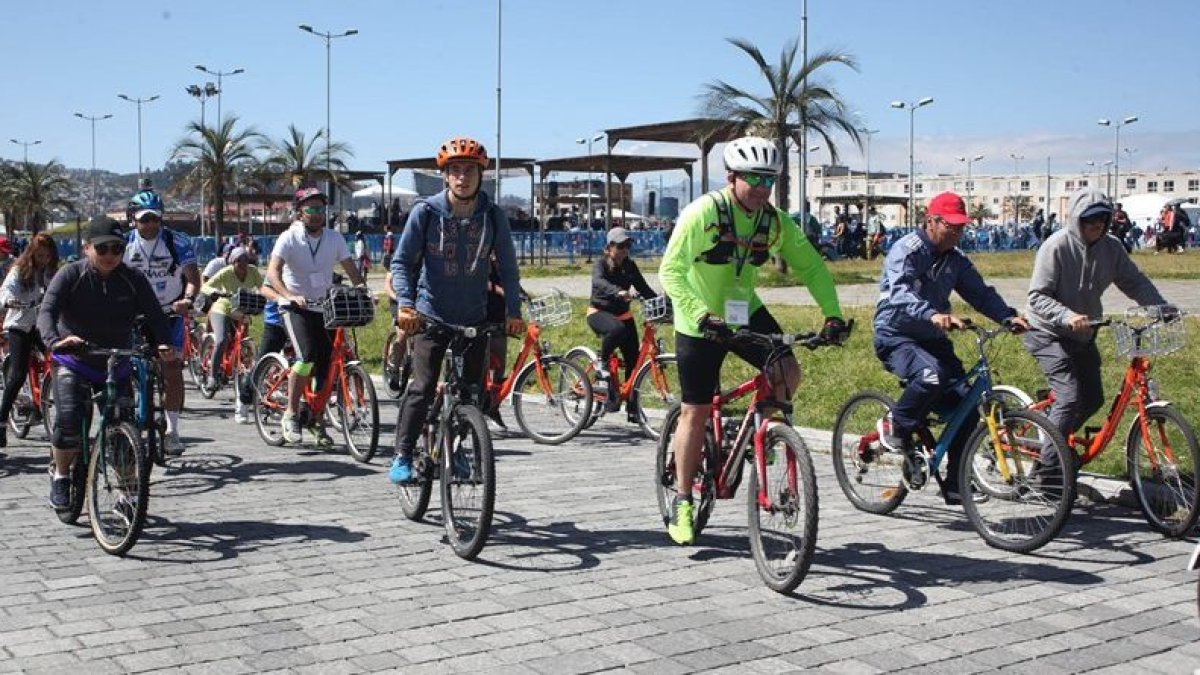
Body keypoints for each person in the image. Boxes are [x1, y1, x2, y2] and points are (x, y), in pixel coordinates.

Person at [658, 136, 850, 545]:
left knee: (788, 372)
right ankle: (682, 499)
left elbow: (812, 266)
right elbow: (670, 271)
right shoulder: (704, 213)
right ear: (731, 177)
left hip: (741, 310)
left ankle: (758, 434)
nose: (762, 187)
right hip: (699, 320)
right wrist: (697, 313)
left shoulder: (775, 220)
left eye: (769, 179)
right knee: (694, 410)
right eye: (754, 178)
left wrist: (832, 314)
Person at [873, 191, 1030, 505]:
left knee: (968, 405)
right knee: (931, 376)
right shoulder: (908, 250)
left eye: (961, 227)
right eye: (951, 226)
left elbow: (980, 294)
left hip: (932, 339)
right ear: (931, 221)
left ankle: (957, 482)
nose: (957, 233)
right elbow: (899, 291)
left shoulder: (955, 260)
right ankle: (896, 423)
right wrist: (932, 314)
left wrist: (1008, 317)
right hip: (896, 336)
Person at [388, 136, 524, 484]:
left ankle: (457, 445)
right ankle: (403, 453)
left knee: (472, 394)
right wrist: (405, 304)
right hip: (430, 313)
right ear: (445, 176)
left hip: (474, 317)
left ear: (481, 175)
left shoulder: (493, 216)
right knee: (423, 385)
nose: (462, 177)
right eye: (455, 171)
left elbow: (508, 269)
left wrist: (513, 312)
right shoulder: (427, 213)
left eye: (469, 170)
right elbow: (402, 262)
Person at [37, 217, 176, 510]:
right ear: (87, 248)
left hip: (116, 361)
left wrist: (163, 343)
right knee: (69, 422)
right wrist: (55, 341)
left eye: (117, 248)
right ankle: (61, 475)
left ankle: (128, 494)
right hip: (74, 360)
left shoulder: (133, 278)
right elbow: (47, 312)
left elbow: (155, 317)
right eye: (103, 249)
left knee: (124, 433)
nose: (111, 255)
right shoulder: (70, 275)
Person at [1025, 188, 1171, 467]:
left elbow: (1134, 281)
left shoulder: (1111, 247)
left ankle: (1052, 434)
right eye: (1090, 220)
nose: (1097, 225)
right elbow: (1036, 297)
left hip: (1083, 332)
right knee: (1068, 397)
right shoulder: (1056, 247)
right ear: (1076, 220)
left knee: (1092, 398)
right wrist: (1066, 315)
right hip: (1047, 332)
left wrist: (1160, 307)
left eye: (1103, 219)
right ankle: (1048, 471)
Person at [265, 186, 366, 445]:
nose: (318, 213)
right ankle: (290, 413)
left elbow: (351, 270)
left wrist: (362, 290)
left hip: (325, 307)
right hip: (295, 307)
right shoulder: (288, 238)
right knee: (307, 355)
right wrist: (288, 295)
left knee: (327, 363)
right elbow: (273, 273)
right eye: (311, 208)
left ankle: (316, 419)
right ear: (300, 212)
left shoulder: (334, 238)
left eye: (322, 208)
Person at [123, 189, 201, 455]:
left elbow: (192, 278)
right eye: (145, 219)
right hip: (134, 314)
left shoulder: (176, 241)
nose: (150, 224)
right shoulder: (122, 243)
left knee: (171, 368)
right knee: (123, 365)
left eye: (155, 218)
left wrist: (188, 299)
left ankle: (172, 430)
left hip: (169, 310)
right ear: (133, 219)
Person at [587, 227, 657, 413]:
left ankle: (632, 406)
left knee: (634, 360)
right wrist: (617, 292)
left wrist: (662, 302)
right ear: (609, 247)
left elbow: (644, 288)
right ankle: (602, 362)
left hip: (623, 314)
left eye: (628, 245)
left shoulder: (629, 265)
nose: (625, 250)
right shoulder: (600, 264)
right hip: (598, 312)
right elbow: (598, 282)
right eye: (621, 246)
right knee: (617, 329)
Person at [0, 233, 59, 447]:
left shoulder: (53, 272)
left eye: (47, 255)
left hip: (42, 325)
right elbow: (6, 291)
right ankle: (1, 421)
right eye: (40, 255)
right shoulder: (19, 271)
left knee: (60, 358)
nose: (44, 259)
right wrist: (10, 301)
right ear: (32, 254)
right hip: (20, 324)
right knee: (18, 374)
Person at [199, 246, 264, 423]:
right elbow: (206, 286)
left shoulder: (253, 272)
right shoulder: (226, 272)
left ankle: (241, 365)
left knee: (243, 341)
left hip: (241, 310)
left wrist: (263, 294)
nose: (242, 263)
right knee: (221, 340)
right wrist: (216, 292)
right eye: (238, 260)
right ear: (232, 262)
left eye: (244, 259)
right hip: (222, 308)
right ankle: (212, 376)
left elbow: (262, 286)